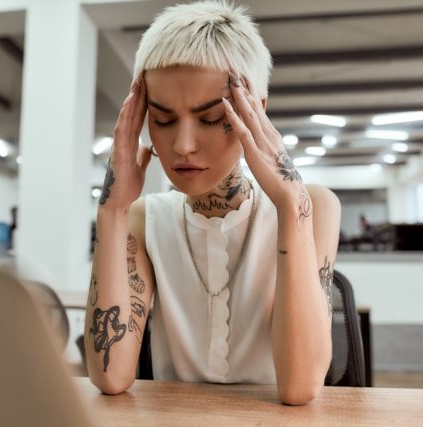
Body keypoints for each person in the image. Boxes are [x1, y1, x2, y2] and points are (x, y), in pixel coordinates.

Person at [84, 1, 341, 405]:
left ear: (255, 112)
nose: (183, 146)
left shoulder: (314, 206)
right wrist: (112, 211)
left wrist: (292, 204)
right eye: (163, 120)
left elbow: (300, 387)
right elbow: (110, 376)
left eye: (209, 118)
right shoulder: (144, 217)